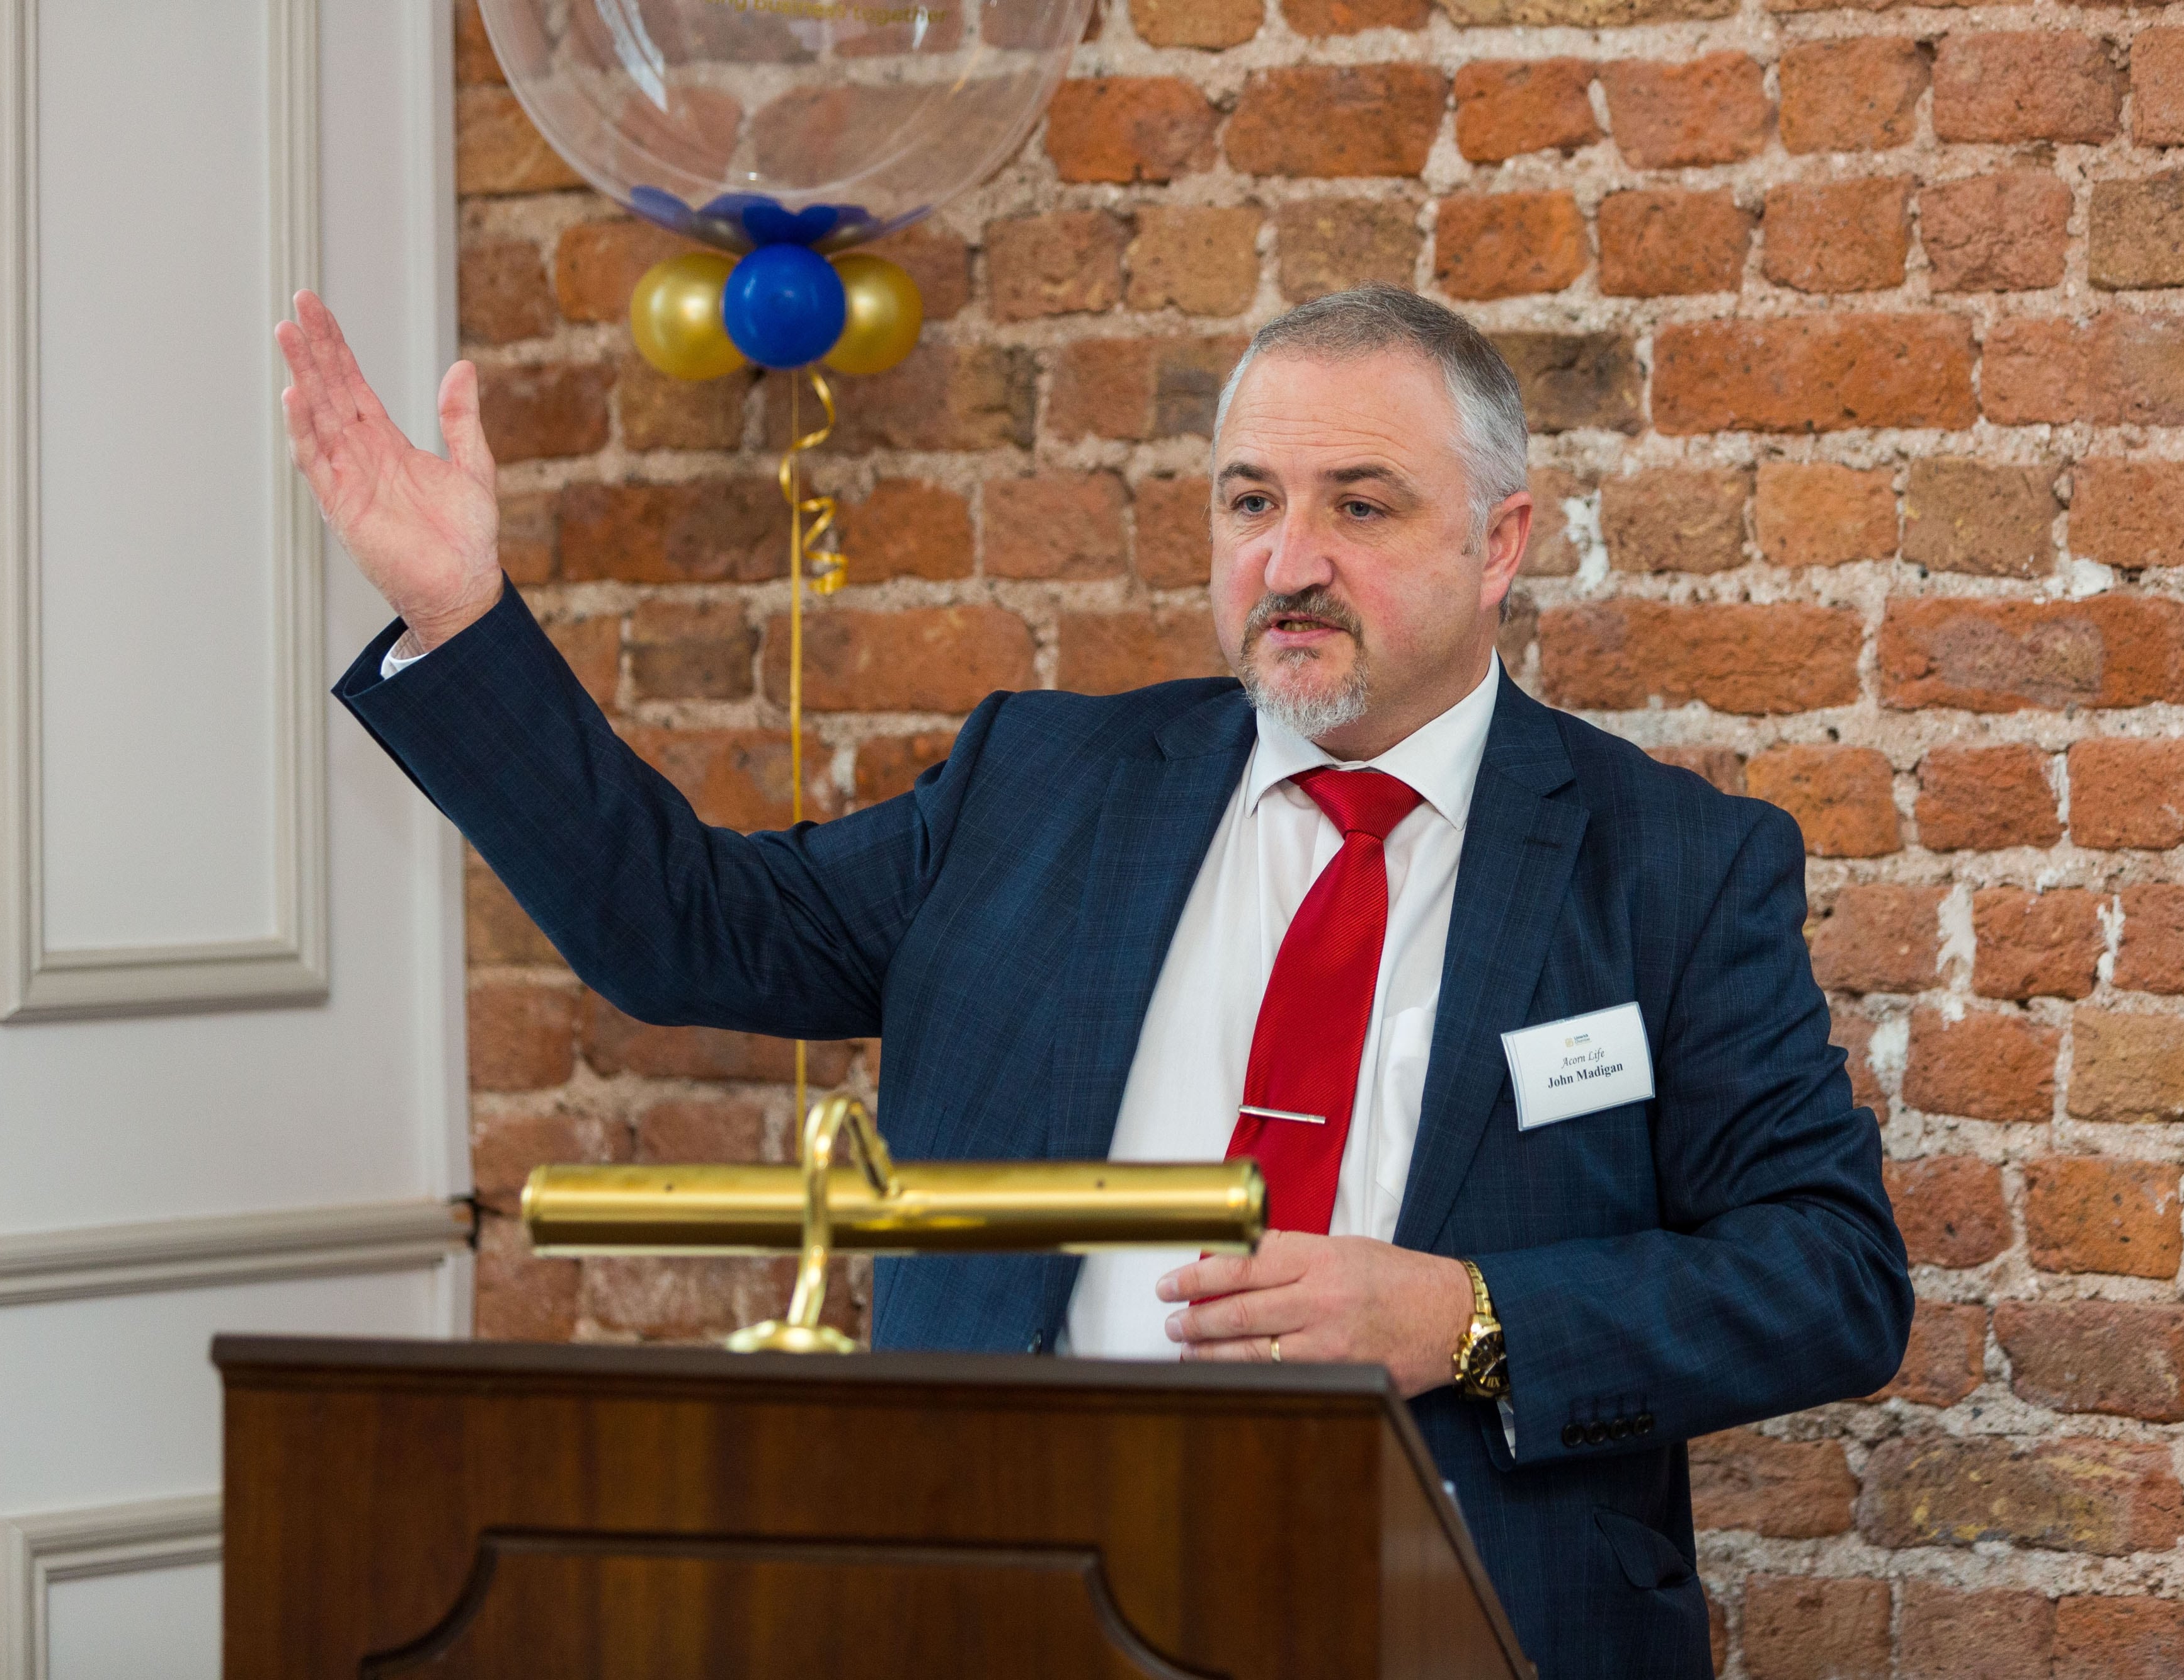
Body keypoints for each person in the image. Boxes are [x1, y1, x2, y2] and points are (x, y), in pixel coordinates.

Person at [278, 280, 1912, 1679]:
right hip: (1021, 1599)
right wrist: (462, 613)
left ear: (1500, 544)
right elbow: (680, 927)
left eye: (1361, 504)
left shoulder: (1673, 861)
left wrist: (1468, 1315)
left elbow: (1831, 1274)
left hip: (1461, 1613)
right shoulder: (1038, 780)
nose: (1288, 560)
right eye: (1250, 499)